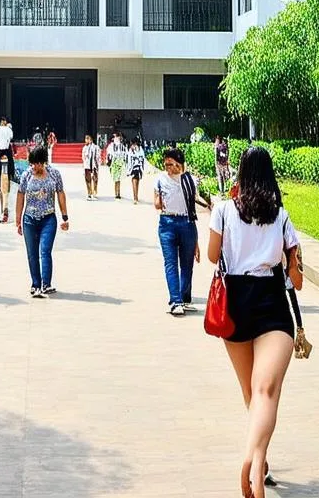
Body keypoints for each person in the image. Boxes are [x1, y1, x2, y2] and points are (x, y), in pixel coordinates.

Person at [207, 146, 302, 498]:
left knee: (252, 391)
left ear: (241, 175)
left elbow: (214, 256)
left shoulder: (222, 211)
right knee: (265, 392)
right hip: (272, 303)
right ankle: (257, 460)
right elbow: (298, 277)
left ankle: (255, 459)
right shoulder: (282, 216)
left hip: (236, 303)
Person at [153, 147, 209, 316]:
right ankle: (175, 300)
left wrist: (196, 240)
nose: (168, 167)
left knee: (187, 264)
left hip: (186, 223)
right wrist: (159, 198)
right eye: (166, 164)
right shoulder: (160, 179)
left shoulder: (189, 180)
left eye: (171, 164)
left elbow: (194, 208)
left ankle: (184, 298)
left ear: (179, 163)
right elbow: (156, 204)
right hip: (167, 223)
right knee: (170, 263)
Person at [15, 146, 69, 297]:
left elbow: (60, 194)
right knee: (32, 254)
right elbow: (20, 196)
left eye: (38, 163)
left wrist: (65, 216)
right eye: (33, 164)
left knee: (45, 251)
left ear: (44, 162)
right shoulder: (26, 175)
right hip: (29, 219)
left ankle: (46, 284)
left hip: (48, 218)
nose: (35, 167)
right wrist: (18, 219)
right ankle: (35, 284)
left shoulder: (54, 174)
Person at [0, 115, 14, 199]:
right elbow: (11, 137)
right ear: (3, 121)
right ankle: (8, 187)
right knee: (9, 168)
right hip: (6, 150)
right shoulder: (8, 128)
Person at [126, 137, 146, 204]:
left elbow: (129, 160)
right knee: (136, 181)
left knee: (135, 182)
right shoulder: (139, 149)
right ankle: (135, 197)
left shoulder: (135, 149)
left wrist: (128, 170)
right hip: (136, 168)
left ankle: (135, 197)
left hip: (135, 167)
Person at [107, 132, 126, 200]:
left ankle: (119, 193)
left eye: (117, 136)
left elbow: (124, 153)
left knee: (119, 178)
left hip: (120, 162)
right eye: (115, 137)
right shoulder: (111, 146)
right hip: (114, 163)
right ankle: (116, 193)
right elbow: (108, 154)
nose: (116, 138)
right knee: (116, 179)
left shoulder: (122, 146)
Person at [81, 133, 100, 200]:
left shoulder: (96, 147)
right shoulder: (84, 148)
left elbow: (98, 157)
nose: (85, 140)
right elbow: (83, 158)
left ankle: (94, 193)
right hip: (87, 166)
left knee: (95, 179)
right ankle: (89, 193)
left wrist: (97, 166)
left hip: (94, 165)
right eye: (85, 139)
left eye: (87, 139)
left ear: (91, 139)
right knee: (87, 180)